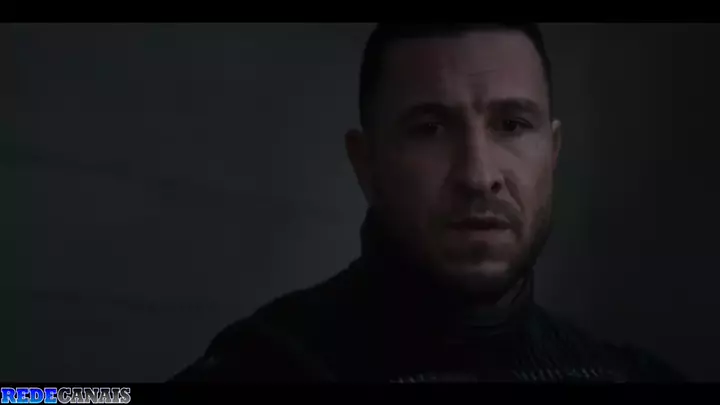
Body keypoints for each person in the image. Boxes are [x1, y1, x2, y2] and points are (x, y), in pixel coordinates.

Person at [171, 23, 682, 382]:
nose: (479, 176)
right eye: (430, 128)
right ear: (366, 164)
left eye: (512, 125)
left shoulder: (627, 376)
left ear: (553, 153)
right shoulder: (264, 368)